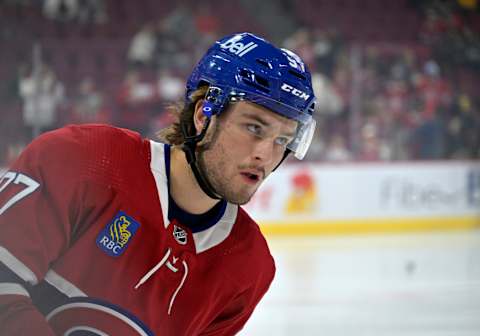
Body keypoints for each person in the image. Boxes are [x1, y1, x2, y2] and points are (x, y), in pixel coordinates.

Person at [0, 32, 316, 335]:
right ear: (205, 114)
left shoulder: (248, 268)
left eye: (283, 139)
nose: (265, 154)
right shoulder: (83, 159)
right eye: (254, 127)